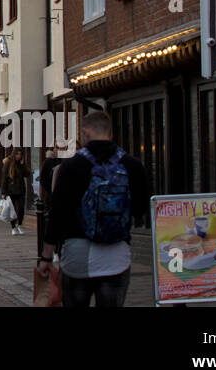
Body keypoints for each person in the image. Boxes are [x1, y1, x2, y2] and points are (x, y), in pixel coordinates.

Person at [38, 111, 150, 307]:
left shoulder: (71, 166)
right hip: (116, 256)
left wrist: (46, 256)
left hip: (76, 255)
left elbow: (58, 214)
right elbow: (140, 209)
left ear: (85, 133)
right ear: (111, 134)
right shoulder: (132, 165)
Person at [1, 149, 31, 235]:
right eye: (17, 154)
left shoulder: (21, 164)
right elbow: (4, 178)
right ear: (13, 155)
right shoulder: (8, 163)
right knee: (12, 209)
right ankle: (13, 227)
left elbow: (27, 174)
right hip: (11, 190)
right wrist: (3, 192)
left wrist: (22, 165)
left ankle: (20, 224)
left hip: (20, 189)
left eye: (20, 154)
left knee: (21, 208)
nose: (19, 156)